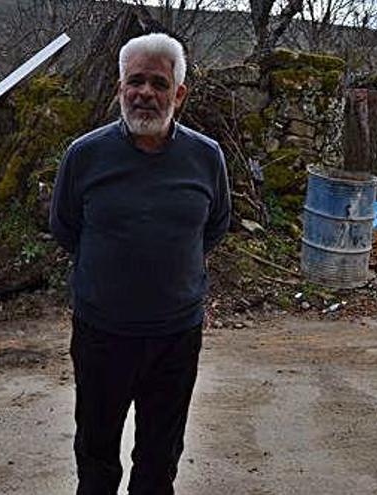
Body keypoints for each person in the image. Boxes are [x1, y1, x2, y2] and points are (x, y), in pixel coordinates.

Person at [50, 32, 231, 494]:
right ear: (119, 88)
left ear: (179, 94)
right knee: (96, 456)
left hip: (175, 337)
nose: (145, 93)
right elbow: (66, 227)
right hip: (101, 336)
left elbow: (213, 228)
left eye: (158, 83)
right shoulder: (84, 156)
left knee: (159, 459)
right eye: (135, 81)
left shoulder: (206, 158)